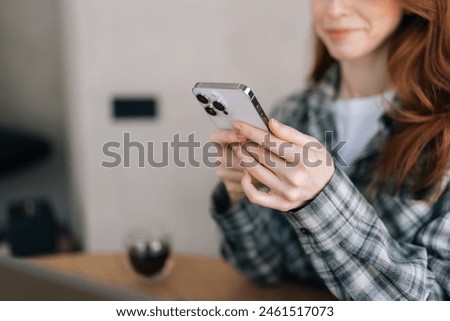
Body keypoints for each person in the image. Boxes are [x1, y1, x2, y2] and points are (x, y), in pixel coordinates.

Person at [209, 0, 450, 300]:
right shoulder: (293, 113)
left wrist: (322, 200)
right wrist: (240, 194)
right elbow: (264, 269)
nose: (334, 9)